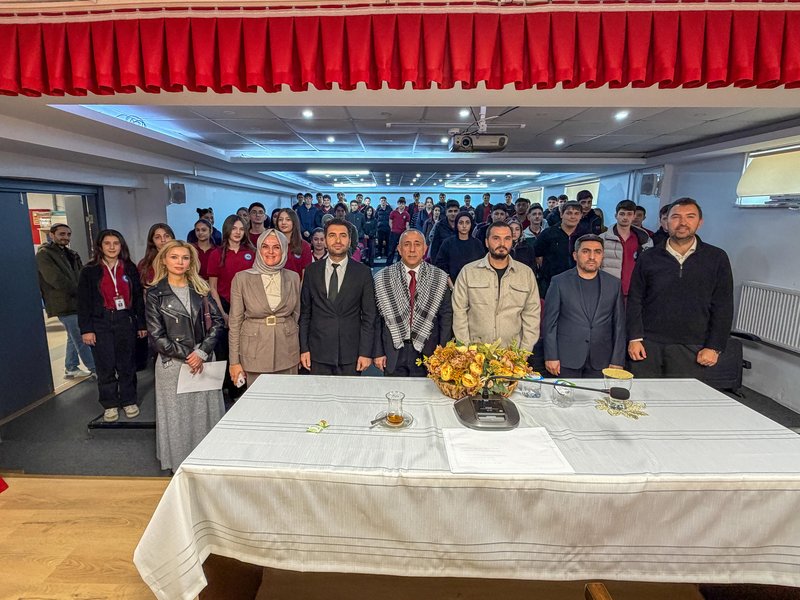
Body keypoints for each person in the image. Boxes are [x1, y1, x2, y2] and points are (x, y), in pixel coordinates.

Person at [627, 198, 734, 379]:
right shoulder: (649, 257)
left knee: (682, 402)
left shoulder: (716, 258)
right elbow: (635, 299)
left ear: (699, 222)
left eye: (690, 217)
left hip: (693, 345)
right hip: (649, 343)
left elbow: (723, 305)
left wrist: (714, 346)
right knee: (642, 399)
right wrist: (634, 338)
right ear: (666, 222)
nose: (683, 222)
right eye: (676, 217)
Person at [145, 240, 225, 472]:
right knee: (177, 417)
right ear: (164, 260)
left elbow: (218, 323)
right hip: (173, 365)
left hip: (203, 359)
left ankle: (208, 462)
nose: (180, 262)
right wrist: (189, 354)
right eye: (174, 257)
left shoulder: (201, 288)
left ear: (191, 261)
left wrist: (201, 351)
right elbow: (156, 336)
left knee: (206, 413)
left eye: (185, 257)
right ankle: (179, 464)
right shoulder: (154, 294)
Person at [77, 229, 147, 422]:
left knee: (127, 363)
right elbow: (83, 302)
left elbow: (139, 299)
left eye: (116, 243)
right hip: (101, 322)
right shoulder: (89, 270)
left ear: (121, 246)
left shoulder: (130, 268)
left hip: (125, 319)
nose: (112, 247)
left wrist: (141, 324)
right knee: (105, 365)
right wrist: (87, 329)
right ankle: (109, 404)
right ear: (100, 246)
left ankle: (128, 400)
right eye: (107, 243)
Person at [299, 218, 376, 376]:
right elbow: (305, 314)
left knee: (350, 399)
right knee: (319, 399)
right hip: (317, 351)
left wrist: (365, 352)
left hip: (351, 353)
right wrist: (304, 348)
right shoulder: (311, 271)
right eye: (332, 235)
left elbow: (369, 316)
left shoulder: (363, 273)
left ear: (349, 241)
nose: (338, 240)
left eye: (343, 235)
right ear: (325, 241)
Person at [543, 234, 626, 378]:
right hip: (566, 359)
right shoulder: (559, 282)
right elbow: (550, 323)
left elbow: (619, 325)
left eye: (597, 252)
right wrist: (551, 356)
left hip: (602, 360)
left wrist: (617, 360)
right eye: (586, 251)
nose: (592, 257)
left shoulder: (614, 284)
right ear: (575, 255)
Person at [373, 230, 452, 376]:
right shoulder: (382, 278)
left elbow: (446, 318)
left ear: (425, 249)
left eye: (417, 244)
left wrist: (443, 352)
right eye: (407, 244)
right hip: (393, 351)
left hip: (429, 352)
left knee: (426, 397)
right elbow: (376, 319)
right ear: (399, 248)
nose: (412, 250)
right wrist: (378, 352)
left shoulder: (439, 278)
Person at [452, 222, 540, 350]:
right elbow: (459, 313)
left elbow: (532, 315)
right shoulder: (468, 272)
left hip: (512, 355)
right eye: (496, 238)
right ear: (487, 242)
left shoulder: (525, 274)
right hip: (475, 354)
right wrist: (466, 351)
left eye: (507, 239)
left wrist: (523, 353)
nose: (502, 243)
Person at [228, 230, 301, 385]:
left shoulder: (293, 277)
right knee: (258, 406)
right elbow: (235, 323)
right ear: (259, 249)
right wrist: (234, 362)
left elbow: (296, 315)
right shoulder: (241, 279)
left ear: (284, 250)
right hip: (254, 352)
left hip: (287, 351)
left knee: (288, 402)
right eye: (265, 246)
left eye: (276, 247)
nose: (270, 252)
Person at [36, 223, 96, 379]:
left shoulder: (72, 253)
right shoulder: (44, 254)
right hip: (63, 303)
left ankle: (71, 367)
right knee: (81, 336)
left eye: (68, 234)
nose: (66, 237)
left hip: (77, 302)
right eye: (62, 234)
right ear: (52, 234)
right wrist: (80, 291)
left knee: (72, 336)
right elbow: (54, 279)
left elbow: (82, 275)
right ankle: (95, 369)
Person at [600, 200, 653, 299]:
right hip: (608, 291)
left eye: (629, 214)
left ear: (633, 216)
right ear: (616, 215)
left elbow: (648, 266)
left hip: (634, 291)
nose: (625, 217)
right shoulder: (602, 239)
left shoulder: (644, 240)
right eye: (622, 214)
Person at [208, 215, 256, 324]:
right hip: (224, 305)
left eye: (241, 229)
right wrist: (222, 314)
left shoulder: (252, 253)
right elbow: (213, 287)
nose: (238, 232)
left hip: (248, 306)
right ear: (227, 229)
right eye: (234, 228)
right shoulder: (216, 254)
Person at [534, 201, 583, 297]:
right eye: (569, 213)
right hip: (552, 282)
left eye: (576, 213)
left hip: (578, 282)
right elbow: (537, 254)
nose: (572, 217)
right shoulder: (548, 233)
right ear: (561, 214)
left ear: (581, 216)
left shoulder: (585, 235)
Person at [434, 211, 484, 285]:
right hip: (451, 284)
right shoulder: (447, 243)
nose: (464, 226)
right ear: (456, 225)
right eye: (461, 223)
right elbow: (440, 265)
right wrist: (451, 285)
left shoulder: (477, 244)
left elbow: (482, 265)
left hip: (474, 285)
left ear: (471, 225)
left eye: (467, 223)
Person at [275, 208, 312, 279]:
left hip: (296, 287)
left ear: (294, 222)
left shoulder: (304, 246)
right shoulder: (272, 243)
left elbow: (305, 275)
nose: (283, 222)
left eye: (288, 219)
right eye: (280, 219)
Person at [137, 223, 175, 288]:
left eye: (167, 236)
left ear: (172, 238)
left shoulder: (182, 260)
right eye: (158, 237)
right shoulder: (144, 264)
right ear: (152, 241)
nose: (163, 240)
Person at [387, 197, 410, 265]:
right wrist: (393, 229)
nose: (401, 205)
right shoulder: (393, 212)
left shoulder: (407, 214)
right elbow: (390, 222)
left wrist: (407, 233)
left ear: (405, 205)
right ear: (398, 204)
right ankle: (388, 264)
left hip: (402, 234)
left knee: (401, 250)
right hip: (393, 233)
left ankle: (399, 264)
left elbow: (407, 225)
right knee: (391, 250)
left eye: (403, 204)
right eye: (400, 204)